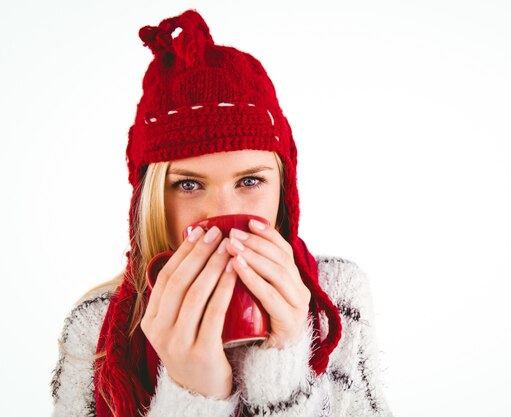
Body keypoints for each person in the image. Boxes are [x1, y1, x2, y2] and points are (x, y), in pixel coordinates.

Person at [51, 9, 392, 417]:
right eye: (189, 185)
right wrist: (192, 395)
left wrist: (283, 369)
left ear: (284, 190)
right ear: (152, 198)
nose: (224, 212)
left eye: (250, 181)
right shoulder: (97, 330)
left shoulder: (337, 295)